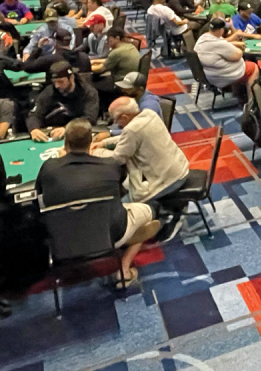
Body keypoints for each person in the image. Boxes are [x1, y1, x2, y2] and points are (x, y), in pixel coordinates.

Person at [37, 119, 166, 285]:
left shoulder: (49, 167)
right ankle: (124, 269)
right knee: (149, 208)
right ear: (91, 143)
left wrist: (61, 162)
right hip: (110, 234)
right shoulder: (110, 165)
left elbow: (40, 195)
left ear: (65, 142)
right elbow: (120, 189)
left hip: (63, 239)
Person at [93, 97, 191, 209]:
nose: (115, 123)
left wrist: (98, 152)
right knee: (127, 186)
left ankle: (155, 216)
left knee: (121, 209)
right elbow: (131, 137)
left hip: (168, 181)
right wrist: (105, 142)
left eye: (115, 119)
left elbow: (117, 159)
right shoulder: (149, 114)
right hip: (179, 168)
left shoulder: (132, 130)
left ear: (125, 117)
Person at [27, 61, 100, 142]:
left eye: (61, 82)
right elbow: (34, 115)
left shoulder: (88, 92)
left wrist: (68, 128)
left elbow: (90, 118)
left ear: (71, 78)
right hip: (52, 134)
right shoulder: (49, 92)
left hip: (78, 135)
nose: (57, 86)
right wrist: (34, 129)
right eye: (54, 82)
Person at [195, 18, 258, 95]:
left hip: (209, 73)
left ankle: (238, 93)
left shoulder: (203, 37)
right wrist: (238, 48)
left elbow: (222, 42)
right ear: (221, 30)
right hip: (221, 75)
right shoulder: (218, 44)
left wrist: (235, 44)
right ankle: (252, 101)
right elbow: (237, 55)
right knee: (253, 67)